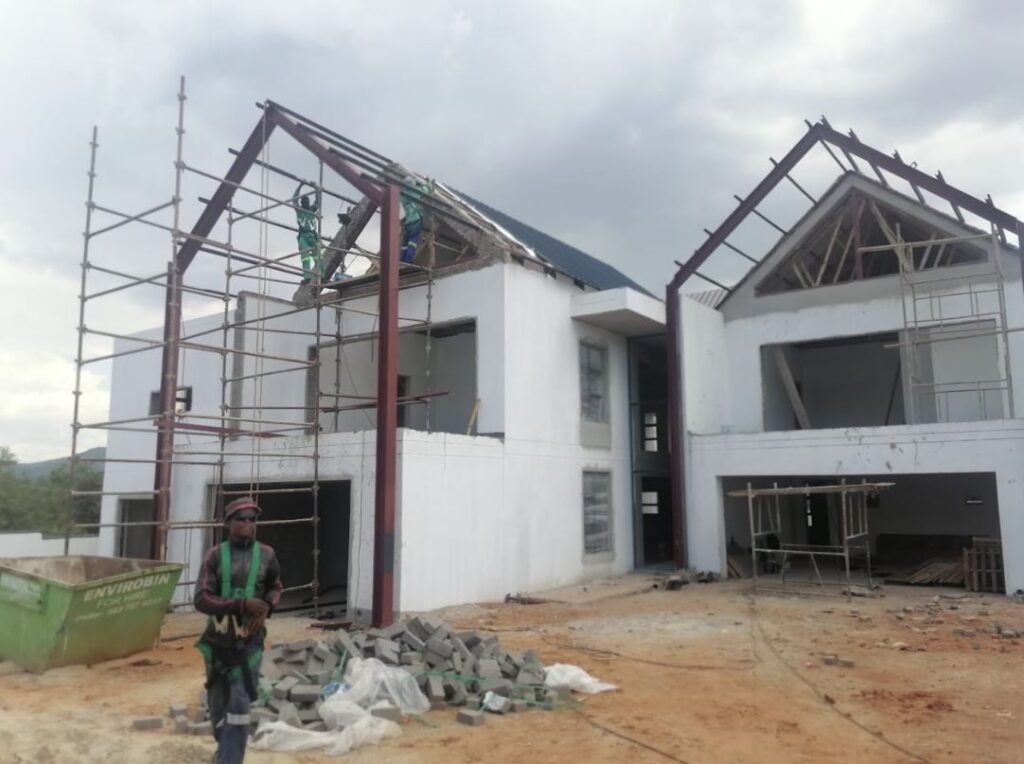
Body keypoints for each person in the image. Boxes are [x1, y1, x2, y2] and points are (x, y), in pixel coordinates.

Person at [195, 497, 282, 764]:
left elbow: (275, 586)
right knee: (219, 708)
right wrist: (241, 604)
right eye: (241, 519)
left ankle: (229, 760)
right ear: (228, 523)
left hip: (249, 644)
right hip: (218, 642)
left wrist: (267, 606)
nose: (248, 523)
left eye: (252, 519)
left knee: (239, 706)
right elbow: (201, 598)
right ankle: (225, 751)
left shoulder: (267, 554)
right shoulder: (214, 556)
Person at [293, 182, 321, 282]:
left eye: (307, 200)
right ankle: (307, 277)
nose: (306, 202)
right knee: (305, 257)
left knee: (317, 257)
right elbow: (294, 200)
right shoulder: (300, 210)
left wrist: (316, 189)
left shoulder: (312, 210)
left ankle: (321, 276)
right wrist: (300, 185)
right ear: (302, 203)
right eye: (304, 201)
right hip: (303, 235)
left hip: (312, 235)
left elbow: (318, 201)